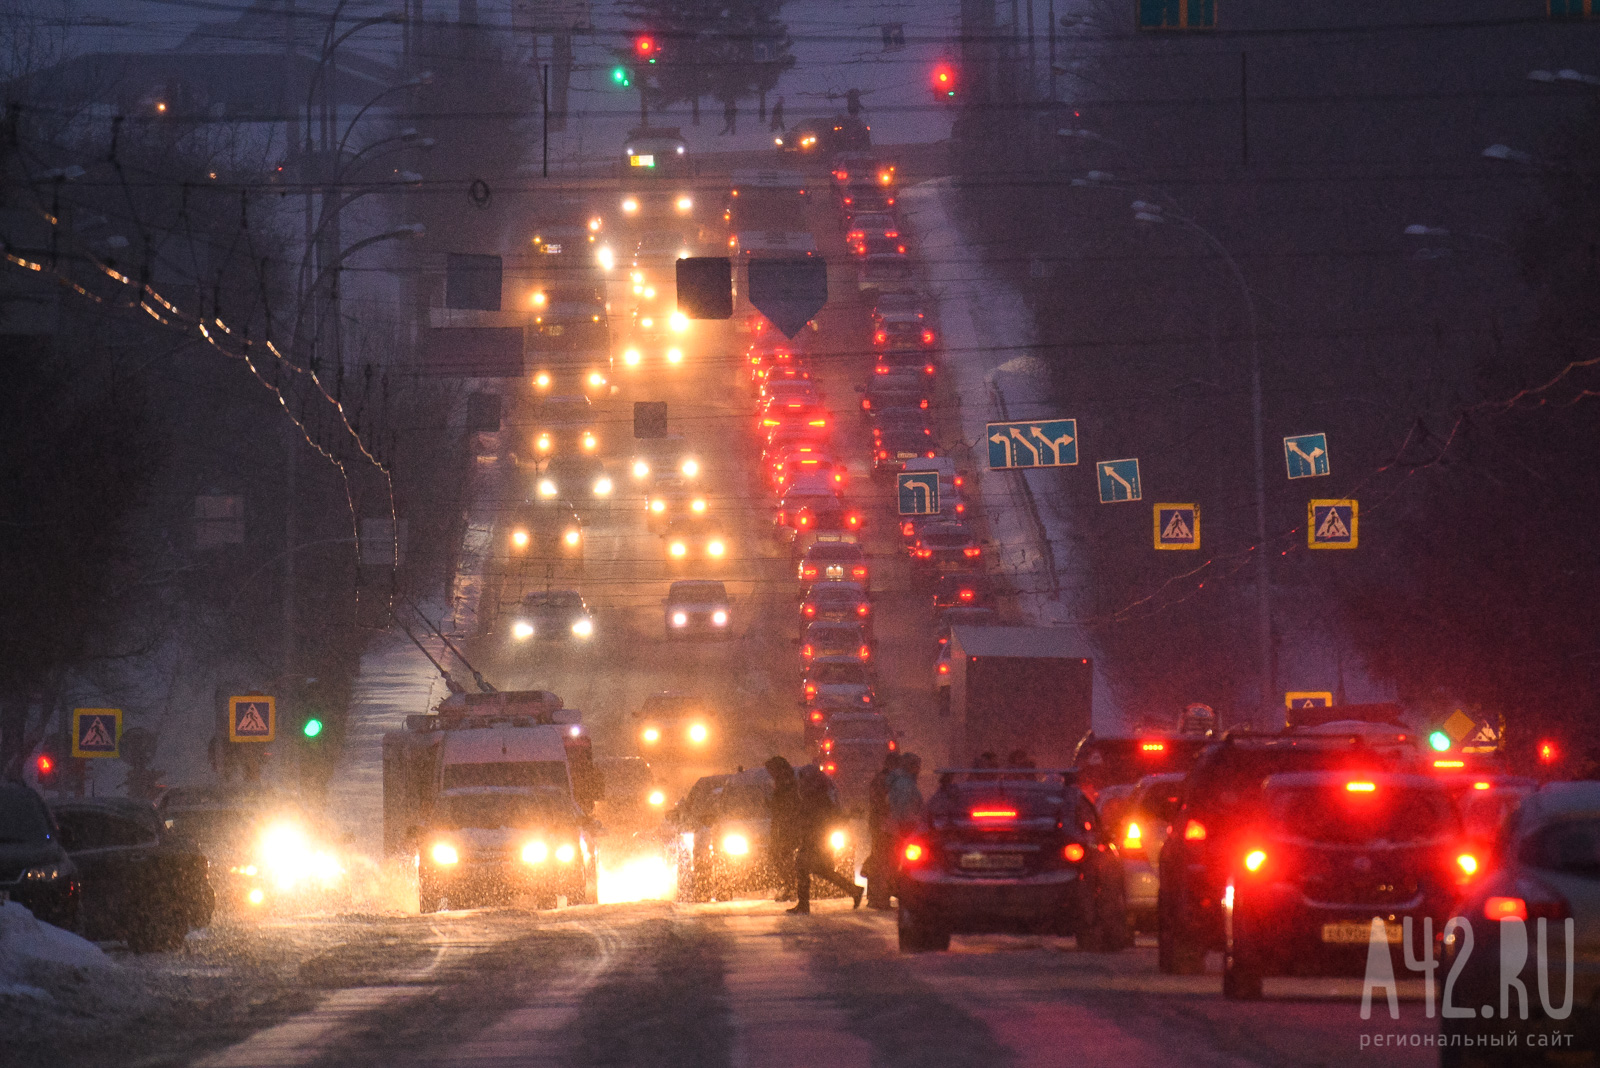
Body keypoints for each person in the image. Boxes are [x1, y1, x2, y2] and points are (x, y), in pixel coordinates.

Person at [788, 764, 863, 913]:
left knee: (803, 867)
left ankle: (804, 904)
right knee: (821, 869)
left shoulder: (816, 796)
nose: (801, 782)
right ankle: (853, 890)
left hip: (815, 839)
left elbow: (822, 817)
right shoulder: (817, 794)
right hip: (816, 838)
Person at [863, 752, 900, 909]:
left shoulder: (881, 779)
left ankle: (875, 895)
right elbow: (882, 803)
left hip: (880, 824)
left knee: (880, 859)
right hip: (883, 825)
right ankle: (881, 897)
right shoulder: (886, 780)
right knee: (885, 860)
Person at [766, 756, 800, 901]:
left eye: (771, 770)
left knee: (781, 856)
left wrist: (772, 805)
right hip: (785, 826)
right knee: (783, 857)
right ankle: (791, 886)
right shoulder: (788, 781)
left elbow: (785, 805)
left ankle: (791, 887)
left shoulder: (785, 783)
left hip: (786, 827)